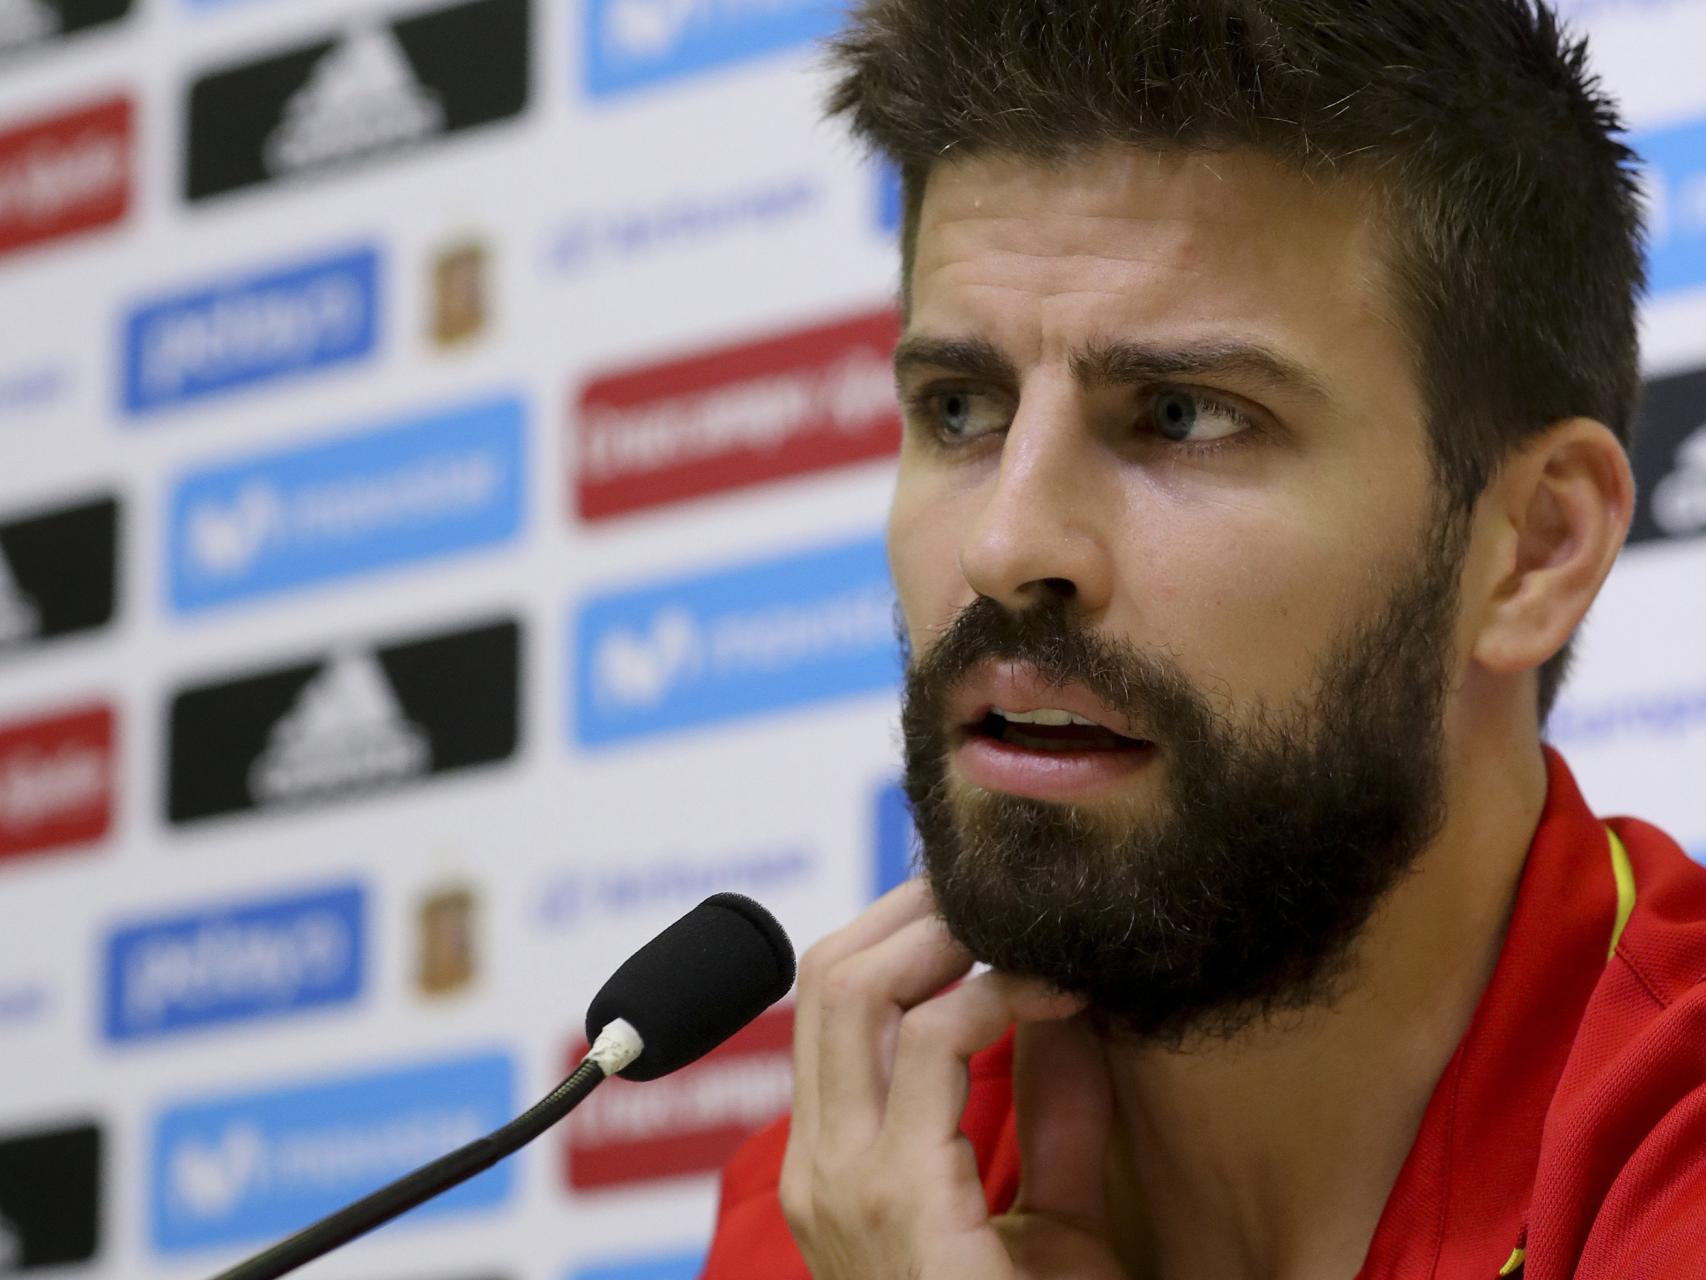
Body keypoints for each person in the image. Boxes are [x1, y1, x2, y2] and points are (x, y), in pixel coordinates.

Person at [702, 2, 1706, 1276]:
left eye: (1181, 415)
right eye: (959, 407)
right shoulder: (855, 1202)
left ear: (1532, 548)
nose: (1005, 547)